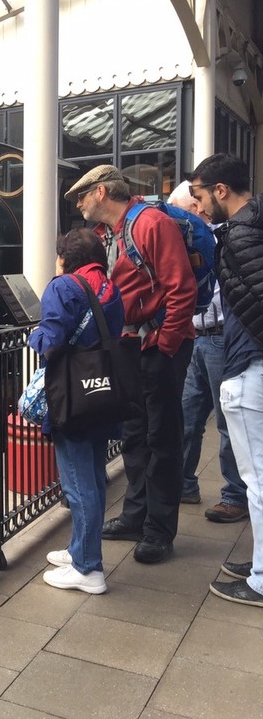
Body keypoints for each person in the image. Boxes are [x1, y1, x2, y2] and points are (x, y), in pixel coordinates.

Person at [64, 165, 197, 564]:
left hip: (158, 347)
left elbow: (182, 289)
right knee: (137, 435)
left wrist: (166, 344)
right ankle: (137, 517)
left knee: (162, 437)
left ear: (101, 191)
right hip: (134, 346)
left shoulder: (152, 224)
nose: (78, 203)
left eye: (82, 195)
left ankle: (159, 530)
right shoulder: (114, 232)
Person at [29, 228, 125, 594]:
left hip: (72, 395)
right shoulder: (109, 286)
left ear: (66, 258)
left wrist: (32, 335)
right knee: (95, 477)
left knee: (77, 481)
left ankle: (88, 569)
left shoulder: (63, 286)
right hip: (102, 392)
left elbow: (49, 342)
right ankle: (79, 550)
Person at [189, 153, 263, 607]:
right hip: (250, 362)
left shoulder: (241, 234)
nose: (198, 208)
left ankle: (262, 579)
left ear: (220, 191)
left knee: (258, 480)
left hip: (249, 366)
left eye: (199, 197)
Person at [166, 182, 249, 521]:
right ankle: (184, 484)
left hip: (217, 337)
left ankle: (235, 495)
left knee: (228, 420)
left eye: (183, 210)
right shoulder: (187, 241)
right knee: (186, 416)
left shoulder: (218, 238)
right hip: (195, 336)